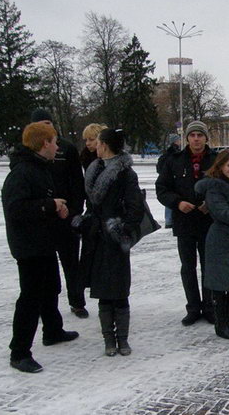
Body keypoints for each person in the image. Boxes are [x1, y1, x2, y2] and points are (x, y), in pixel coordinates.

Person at [2, 122, 79, 373]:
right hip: (29, 246)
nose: (57, 147)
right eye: (55, 142)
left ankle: (53, 330)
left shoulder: (40, 167)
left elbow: (41, 202)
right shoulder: (22, 172)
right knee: (30, 297)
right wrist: (49, 205)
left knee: (51, 288)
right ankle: (19, 352)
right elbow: (16, 209)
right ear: (44, 143)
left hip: (44, 241)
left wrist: (58, 208)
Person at [79, 128, 143, 357]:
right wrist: (86, 221)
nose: (94, 145)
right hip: (96, 237)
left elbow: (135, 209)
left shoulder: (125, 173)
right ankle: (108, 339)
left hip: (115, 239)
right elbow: (91, 205)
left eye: (97, 142)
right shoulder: (94, 169)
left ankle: (122, 339)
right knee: (102, 291)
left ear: (104, 145)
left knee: (119, 290)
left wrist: (119, 229)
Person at [156, 121, 216, 326]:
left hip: (209, 223)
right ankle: (193, 307)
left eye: (200, 135)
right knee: (188, 267)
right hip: (185, 222)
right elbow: (162, 189)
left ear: (206, 138)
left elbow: (228, 186)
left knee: (209, 266)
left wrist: (212, 204)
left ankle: (210, 307)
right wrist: (177, 203)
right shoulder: (174, 161)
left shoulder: (215, 160)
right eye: (192, 135)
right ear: (187, 138)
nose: (196, 139)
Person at [32, 109, 87, 318]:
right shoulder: (28, 151)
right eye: (41, 124)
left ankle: (77, 302)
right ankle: (47, 309)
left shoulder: (66, 148)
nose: (47, 128)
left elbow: (77, 182)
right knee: (45, 268)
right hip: (43, 217)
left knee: (72, 263)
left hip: (67, 216)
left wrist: (74, 211)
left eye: (49, 123)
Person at [194, 150, 229, 340]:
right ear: (220, 166)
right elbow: (227, 215)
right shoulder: (214, 187)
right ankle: (221, 325)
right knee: (220, 286)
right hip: (220, 241)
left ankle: (227, 321)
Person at [157, 134, 181, 229]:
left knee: (170, 198)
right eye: (178, 140)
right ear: (175, 141)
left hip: (167, 177)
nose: (180, 141)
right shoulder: (174, 152)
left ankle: (169, 220)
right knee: (172, 198)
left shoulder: (166, 153)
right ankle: (170, 220)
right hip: (172, 178)